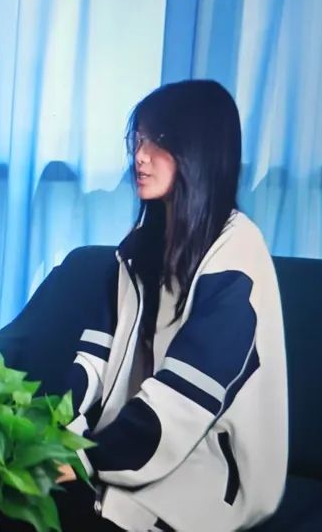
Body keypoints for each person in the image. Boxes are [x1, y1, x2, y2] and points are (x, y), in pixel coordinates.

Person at [30, 80, 288, 531]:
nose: (140, 156)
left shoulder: (237, 258)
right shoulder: (140, 248)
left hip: (202, 473)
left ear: (201, 152)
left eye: (158, 142)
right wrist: (42, 427)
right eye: (139, 140)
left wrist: (85, 460)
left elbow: (180, 406)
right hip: (126, 452)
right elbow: (94, 359)